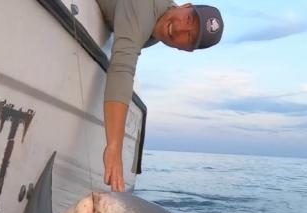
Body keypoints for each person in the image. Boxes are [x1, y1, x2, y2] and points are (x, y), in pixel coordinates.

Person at [96, 0, 224, 191]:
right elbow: (122, 67)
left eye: (189, 37)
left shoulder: (156, 26)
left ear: (186, 50)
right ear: (185, 5)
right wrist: (114, 147)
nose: (180, 29)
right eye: (189, 19)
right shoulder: (145, 5)